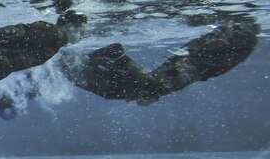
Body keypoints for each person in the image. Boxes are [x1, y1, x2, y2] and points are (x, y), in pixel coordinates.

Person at [60, 14, 258, 105]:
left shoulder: (243, 39)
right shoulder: (244, 38)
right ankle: (115, 56)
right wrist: (191, 52)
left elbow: (211, 48)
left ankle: (89, 62)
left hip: (192, 66)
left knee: (116, 91)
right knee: (148, 87)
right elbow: (209, 48)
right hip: (191, 67)